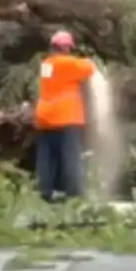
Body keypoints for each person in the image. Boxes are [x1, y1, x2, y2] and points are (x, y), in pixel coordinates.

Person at [33, 30, 96, 201]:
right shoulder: (66, 64)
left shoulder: (46, 64)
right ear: (66, 48)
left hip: (45, 118)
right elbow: (89, 67)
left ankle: (45, 192)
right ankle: (75, 194)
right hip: (66, 117)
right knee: (71, 157)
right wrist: (86, 57)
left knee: (47, 157)